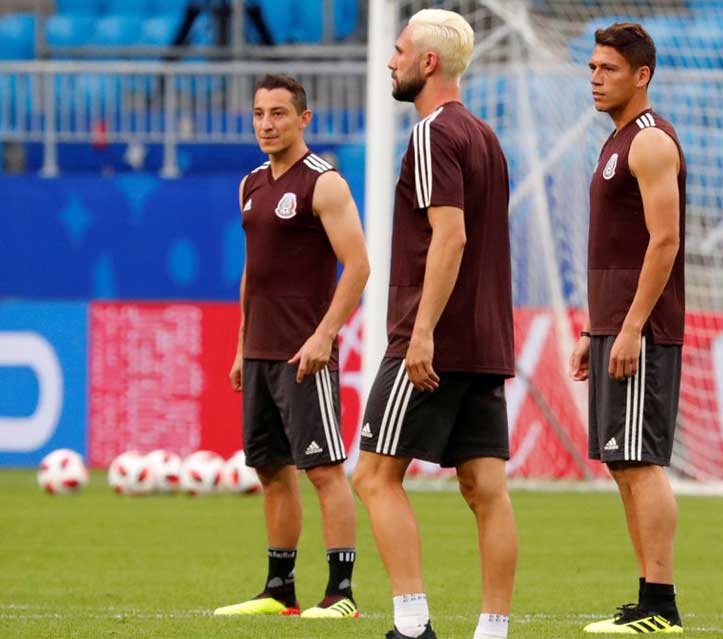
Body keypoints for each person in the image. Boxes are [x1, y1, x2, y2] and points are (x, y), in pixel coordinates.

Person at [350, 9, 516, 639]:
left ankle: (412, 624)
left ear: (427, 63)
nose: (389, 61)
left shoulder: (430, 135)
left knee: (373, 475)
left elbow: (450, 235)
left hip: (435, 340)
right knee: (485, 488)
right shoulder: (486, 137)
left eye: (398, 51)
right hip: (486, 338)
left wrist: (420, 332)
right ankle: (493, 630)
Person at [214, 73, 370, 619]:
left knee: (323, 469)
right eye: (259, 113)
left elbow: (360, 265)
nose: (266, 124)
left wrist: (325, 335)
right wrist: (240, 346)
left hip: (305, 354)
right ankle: (280, 590)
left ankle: (341, 593)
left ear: (304, 119)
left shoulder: (324, 183)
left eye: (278, 113)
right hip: (259, 352)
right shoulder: (251, 185)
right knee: (271, 471)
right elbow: (251, 276)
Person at [569, 22, 687, 635]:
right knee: (622, 463)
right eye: (591, 68)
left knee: (641, 462)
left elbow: (664, 241)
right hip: (614, 326)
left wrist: (633, 326)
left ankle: (662, 603)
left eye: (607, 69)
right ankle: (646, 596)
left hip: (643, 328)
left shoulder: (649, 143)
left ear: (641, 76)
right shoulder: (615, 142)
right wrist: (597, 329)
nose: (595, 78)